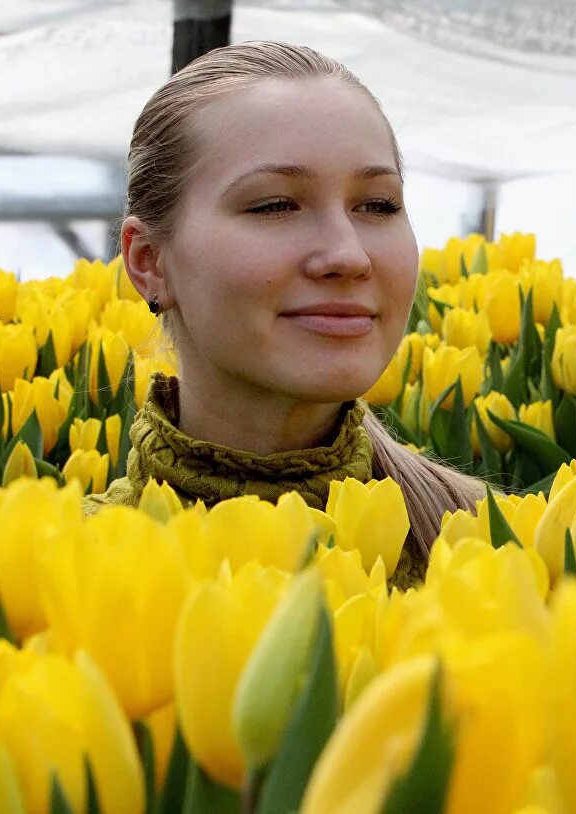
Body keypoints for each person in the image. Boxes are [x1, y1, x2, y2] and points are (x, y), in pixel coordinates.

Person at [84, 41, 485, 589]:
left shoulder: (500, 553)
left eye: (378, 205)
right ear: (148, 261)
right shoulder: (49, 576)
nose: (347, 255)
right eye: (275, 205)